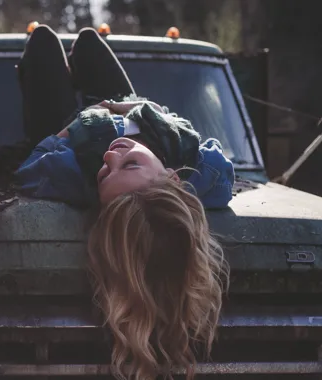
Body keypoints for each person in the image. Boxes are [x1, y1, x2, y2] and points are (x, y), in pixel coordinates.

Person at [15, 25, 229, 379]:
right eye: (130, 164)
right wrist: (130, 109)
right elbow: (213, 158)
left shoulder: (71, 172)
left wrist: (76, 125)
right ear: (174, 178)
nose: (111, 158)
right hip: (133, 113)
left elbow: (32, 164)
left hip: (75, 128)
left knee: (43, 43)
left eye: (104, 175)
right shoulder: (199, 176)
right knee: (87, 39)